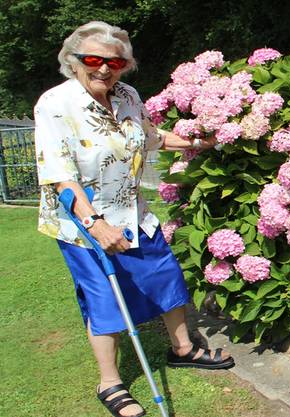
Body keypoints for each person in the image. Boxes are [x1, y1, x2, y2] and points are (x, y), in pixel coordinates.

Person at [33, 21, 233, 417]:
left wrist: (198, 142)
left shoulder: (127, 95)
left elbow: (150, 135)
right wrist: (95, 225)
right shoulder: (55, 103)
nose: (105, 69)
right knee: (105, 298)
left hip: (134, 213)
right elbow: (58, 175)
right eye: (93, 60)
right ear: (73, 61)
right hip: (83, 223)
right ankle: (110, 382)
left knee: (165, 276)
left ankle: (183, 349)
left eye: (116, 62)